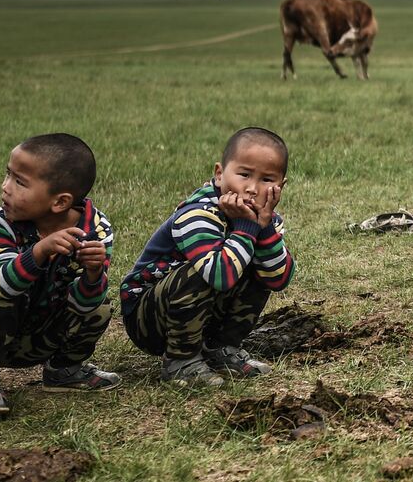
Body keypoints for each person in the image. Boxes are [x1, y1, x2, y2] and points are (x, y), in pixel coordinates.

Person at [0, 133, 119, 417]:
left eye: (19, 182)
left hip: (46, 333)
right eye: (8, 175)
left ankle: (63, 370)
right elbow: (3, 286)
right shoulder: (2, 224)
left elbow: (84, 305)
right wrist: (39, 251)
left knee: (101, 303)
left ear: (60, 202)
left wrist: (93, 274)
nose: (5, 188)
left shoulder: (96, 229)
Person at [121, 127, 296, 386]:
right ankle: (181, 361)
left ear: (280, 186)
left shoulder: (265, 219)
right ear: (219, 173)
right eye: (244, 174)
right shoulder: (197, 214)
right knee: (206, 269)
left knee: (258, 264)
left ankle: (221, 348)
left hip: (202, 311)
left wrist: (264, 227)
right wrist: (247, 229)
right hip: (149, 319)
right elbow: (219, 277)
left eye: (267, 180)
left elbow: (278, 279)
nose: (252, 188)